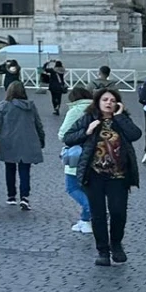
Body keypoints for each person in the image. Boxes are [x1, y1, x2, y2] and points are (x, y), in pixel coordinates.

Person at [62, 88, 141, 267]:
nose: (108, 103)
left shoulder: (122, 120)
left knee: (118, 212)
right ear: (97, 102)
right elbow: (68, 138)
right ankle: (103, 250)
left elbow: (135, 135)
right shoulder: (88, 118)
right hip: (94, 174)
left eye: (112, 100)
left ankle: (116, 244)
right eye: (105, 99)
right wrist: (87, 131)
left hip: (119, 175)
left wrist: (120, 117)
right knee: (98, 215)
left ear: (118, 104)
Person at [0, 82, 44, 210]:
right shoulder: (31, 106)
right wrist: (41, 139)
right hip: (28, 141)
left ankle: (11, 196)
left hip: (9, 141)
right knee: (25, 170)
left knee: (10, 169)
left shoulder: (4, 105)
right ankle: (24, 197)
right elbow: (38, 124)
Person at [58, 87, 96, 234]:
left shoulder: (75, 111)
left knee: (72, 187)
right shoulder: (96, 108)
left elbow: (63, 134)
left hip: (77, 154)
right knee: (87, 188)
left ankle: (93, 209)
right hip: (94, 153)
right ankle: (85, 221)